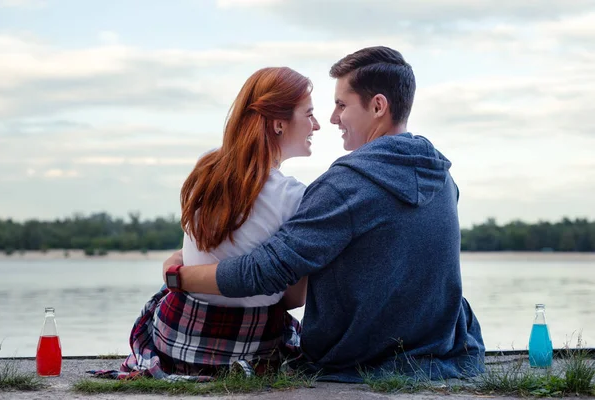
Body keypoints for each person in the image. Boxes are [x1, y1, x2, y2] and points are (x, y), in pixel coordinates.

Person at [162, 46, 486, 382]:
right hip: (444, 350)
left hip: (357, 358)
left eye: (341, 105)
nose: (332, 119)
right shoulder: (442, 176)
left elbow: (264, 271)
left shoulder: (344, 185)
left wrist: (178, 276)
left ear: (378, 106)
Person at [113, 67, 320, 381]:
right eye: (309, 114)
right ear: (279, 123)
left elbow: (198, 250)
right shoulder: (293, 196)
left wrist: (178, 272)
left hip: (176, 337)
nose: (316, 125)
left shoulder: (207, 166)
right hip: (251, 344)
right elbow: (295, 299)